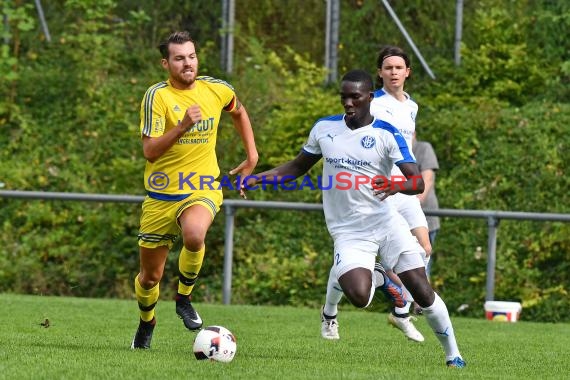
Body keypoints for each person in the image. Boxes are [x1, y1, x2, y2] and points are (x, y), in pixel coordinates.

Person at [244, 69, 465, 367]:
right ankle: (376, 276)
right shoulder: (325, 128)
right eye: (344, 96)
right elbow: (297, 167)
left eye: (355, 97)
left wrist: (396, 185)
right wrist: (259, 179)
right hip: (348, 231)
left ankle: (454, 355)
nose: (348, 103)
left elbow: (417, 183)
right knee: (361, 297)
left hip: (387, 224)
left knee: (422, 291)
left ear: (369, 98)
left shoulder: (387, 133)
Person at [131, 31, 258, 349]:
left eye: (191, 56)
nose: (187, 63)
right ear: (166, 63)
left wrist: (252, 155)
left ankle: (183, 299)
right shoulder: (156, 97)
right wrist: (182, 125)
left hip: (201, 188)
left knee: (194, 235)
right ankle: (147, 322)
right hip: (161, 196)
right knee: (149, 278)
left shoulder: (216, 89)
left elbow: (238, 111)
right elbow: (150, 151)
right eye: (179, 58)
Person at [368, 45, 431, 342]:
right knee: (398, 257)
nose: (393, 72)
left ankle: (401, 304)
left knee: (425, 247)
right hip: (384, 189)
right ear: (380, 72)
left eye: (398, 67)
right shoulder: (372, 104)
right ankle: (400, 300)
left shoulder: (411, 106)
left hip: (405, 188)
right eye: (388, 67)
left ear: (408, 72)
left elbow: (410, 138)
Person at [412, 132, 440, 278]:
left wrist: (410, 206)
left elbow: (427, 181)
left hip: (424, 219)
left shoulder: (423, 149)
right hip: (398, 220)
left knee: (421, 270)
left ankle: (423, 301)